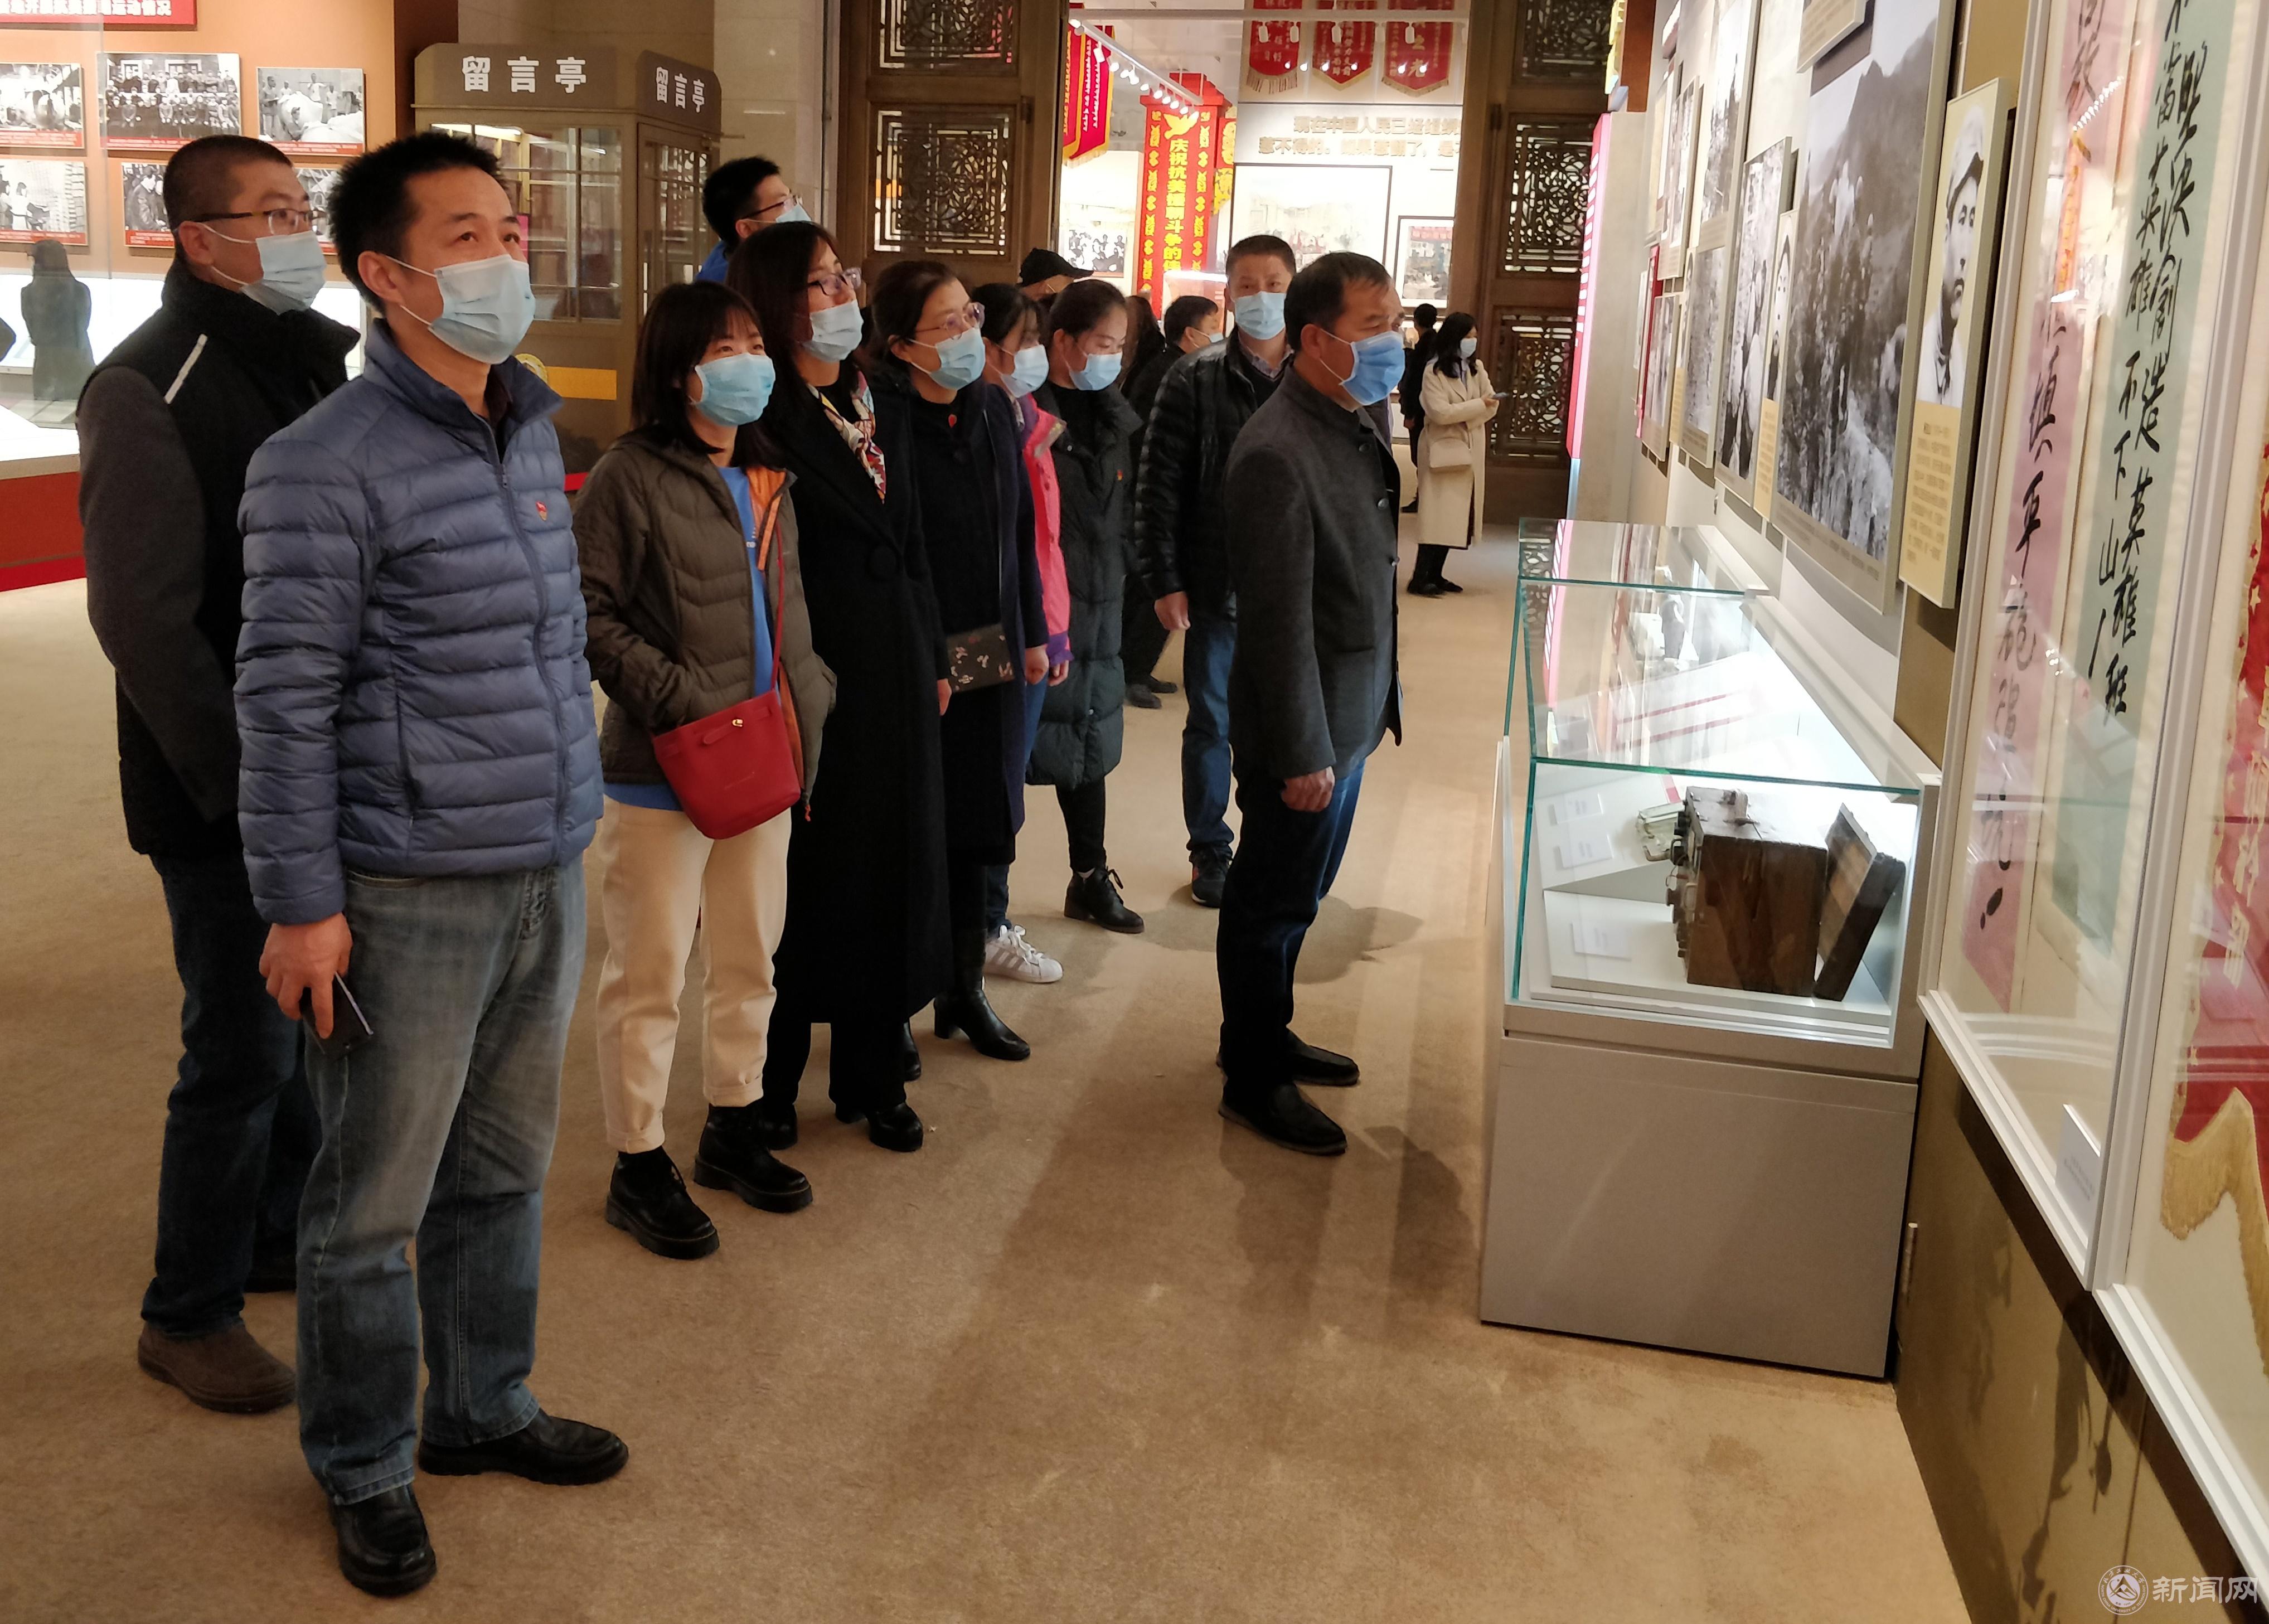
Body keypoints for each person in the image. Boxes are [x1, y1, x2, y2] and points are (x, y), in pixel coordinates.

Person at [237, 131, 623, 1598]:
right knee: (371, 1203)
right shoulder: (319, 463)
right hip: (405, 886)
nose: (506, 255)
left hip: (541, 858)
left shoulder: (525, 424)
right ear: (385, 276)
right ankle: (362, 1462)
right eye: (466, 236)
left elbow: (549, 643)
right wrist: (302, 905)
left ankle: (480, 1402)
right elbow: (281, 701)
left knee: (506, 1172)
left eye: (510, 229)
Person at [78, 135, 353, 1419]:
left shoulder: (303, 359)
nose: (301, 233)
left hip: (318, 761)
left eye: (305, 209)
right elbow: (144, 621)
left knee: (298, 1028)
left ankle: (275, 1231)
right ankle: (185, 1311)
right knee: (236, 1050)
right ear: (200, 239)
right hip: (224, 786)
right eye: (274, 214)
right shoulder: (150, 382)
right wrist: (254, 788)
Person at [573, 280, 835, 1262]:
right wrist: (675, 695)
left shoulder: (767, 474)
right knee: (648, 974)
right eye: (726, 348)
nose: (749, 363)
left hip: (765, 755)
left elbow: (787, 610)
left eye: (754, 342)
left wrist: (812, 696)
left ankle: (733, 1119)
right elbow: (586, 610)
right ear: (681, 369)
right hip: (665, 766)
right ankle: (637, 1160)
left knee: (749, 957)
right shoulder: (628, 475)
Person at [728, 221, 950, 1151]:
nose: (840, 296)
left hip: (896, 664)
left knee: (892, 866)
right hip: (812, 676)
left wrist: (934, 654)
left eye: (841, 278)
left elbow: (916, 539)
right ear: (777, 305)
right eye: (819, 284)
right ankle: (772, 1082)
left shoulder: (875, 396)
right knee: (808, 880)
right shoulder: (762, 418)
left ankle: (871, 1072)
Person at [1215, 251, 1404, 1156]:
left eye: (1394, 322)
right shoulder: (1276, 452)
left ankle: (1265, 1032)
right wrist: (1302, 752)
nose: (1392, 341)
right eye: (1375, 327)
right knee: (1270, 902)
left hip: (1349, 709)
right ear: (1317, 339)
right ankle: (1252, 1078)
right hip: (1306, 728)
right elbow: (1278, 624)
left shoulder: (1349, 415)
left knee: (1300, 895)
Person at [867, 258, 1048, 1060]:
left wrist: (1033, 630)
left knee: (975, 818)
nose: (967, 335)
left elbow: (1020, 530)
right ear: (902, 347)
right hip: (916, 655)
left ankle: (963, 988)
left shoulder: (990, 408)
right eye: (946, 324)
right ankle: (895, 1003)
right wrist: (923, 656)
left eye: (969, 316)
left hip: (986, 647)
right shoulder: (881, 422)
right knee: (916, 828)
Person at [1134, 234, 1295, 909]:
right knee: (1211, 722)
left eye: (1274, 283)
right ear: (1228, 295)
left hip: (1296, 593)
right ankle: (1209, 849)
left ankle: (1271, 845)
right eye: (1247, 285)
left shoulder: (1319, 374)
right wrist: (1164, 579)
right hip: (1218, 585)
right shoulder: (1192, 377)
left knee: (1289, 724)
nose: (1260, 297)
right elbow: (1158, 484)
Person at [1029, 277, 1143, 934]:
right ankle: (986, 907)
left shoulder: (1113, 417)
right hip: (1039, 608)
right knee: (1011, 752)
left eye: (1119, 345)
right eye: (1101, 343)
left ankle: (1090, 876)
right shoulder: (1025, 412)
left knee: (1088, 740)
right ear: (1063, 341)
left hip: (1099, 603)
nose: (1111, 357)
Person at [973, 279, 1071, 986]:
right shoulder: (976, 425)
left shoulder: (1026, 418)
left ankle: (988, 918)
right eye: (1025, 341)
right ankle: (980, 925)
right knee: (987, 779)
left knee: (1002, 783)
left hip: (1026, 627)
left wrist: (1051, 631)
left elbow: (1041, 545)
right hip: (981, 635)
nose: (1034, 354)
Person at [1119, 293, 1220, 710]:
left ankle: (1138, 667)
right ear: (1191, 334)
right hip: (1155, 498)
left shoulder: (1182, 368)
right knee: (1152, 589)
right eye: (1213, 328)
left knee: (1152, 589)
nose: (1218, 336)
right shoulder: (1171, 373)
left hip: (1170, 497)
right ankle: (1131, 671)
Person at [1409, 312, 1497, 597]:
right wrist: (1477, 408)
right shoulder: (1433, 372)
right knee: (1437, 516)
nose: (1473, 341)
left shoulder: (1476, 368)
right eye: (1468, 336)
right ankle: (1420, 578)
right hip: (1442, 449)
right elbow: (1440, 413)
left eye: (1475, 336)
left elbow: (1492, 403)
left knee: (1457, 517)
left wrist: (1469, 414)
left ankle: (1437, 574)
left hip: (1470, 448)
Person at [696, 155, 807, 284]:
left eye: (792, 199)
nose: (795, 209)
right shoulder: (734, 290)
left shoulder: (778, 263)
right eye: (783, 203)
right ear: (746, 229)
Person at [22, 237, 93, 404]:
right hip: (71, 359)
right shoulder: (80, 290)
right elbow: (82, 326)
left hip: (57, 362)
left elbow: (34, 333)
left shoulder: (28, 293)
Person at [1398, 303, 1438, 512]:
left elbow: (1413, 384)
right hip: (1433, 409)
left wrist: (1409, 413)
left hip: (1420, 410)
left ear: (1415, 322)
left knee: (1420, 456)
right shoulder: (1438, 345)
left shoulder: (1422, 348)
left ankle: (1423, 497)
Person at [1017, 245, 1090, 310]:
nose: (1070, 289)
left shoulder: (1031, 310)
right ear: (1046, 287)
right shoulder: (1015, 312)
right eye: (1068, 283)